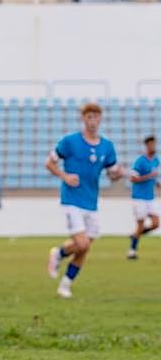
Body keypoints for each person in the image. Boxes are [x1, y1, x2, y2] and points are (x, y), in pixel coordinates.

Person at [46, 102, 123, 299]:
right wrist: (65, 177)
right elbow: (49, 163)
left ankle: (64, 279)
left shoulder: (107, 146)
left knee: (85, 247)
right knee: (82, 244)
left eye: (96, 116)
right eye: (89, 116)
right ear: (83, 119)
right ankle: (60, 258)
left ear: (100, 119)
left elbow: (112, 174)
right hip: (71, 200)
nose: (92, 120)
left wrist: (118, 174)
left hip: (92, 202)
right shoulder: (70, 141)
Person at [127, 135, 159, 260]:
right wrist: (149, 176)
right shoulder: (140, 161)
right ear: (146, 146)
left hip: (150, 197)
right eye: (151, 144)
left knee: (156, 223)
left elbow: (154, 177)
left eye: (155, 144)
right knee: (140, 225)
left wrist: (157, 183)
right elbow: (132, 178)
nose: (153, 146)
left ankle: (135, 235)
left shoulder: (156, 160)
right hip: (139, 197)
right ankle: (132, 251)